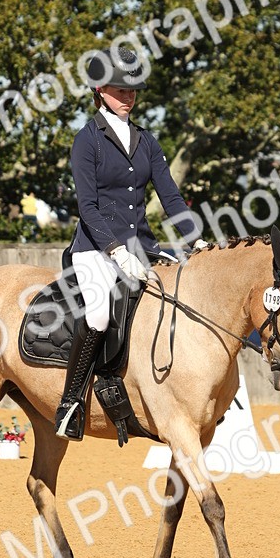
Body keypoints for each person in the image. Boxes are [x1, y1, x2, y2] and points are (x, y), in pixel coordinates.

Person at [55, 44, 205, 440]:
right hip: (95, 248)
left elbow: (170, 196)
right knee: (100, 314)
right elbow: (88, 206)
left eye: (133, 90)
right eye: (121, 91)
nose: (129, 97)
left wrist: (196, 240)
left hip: (143, 247)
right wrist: (116, 251)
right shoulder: (86, 141)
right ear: (100, 90)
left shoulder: (147, 141)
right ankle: (71, 403)